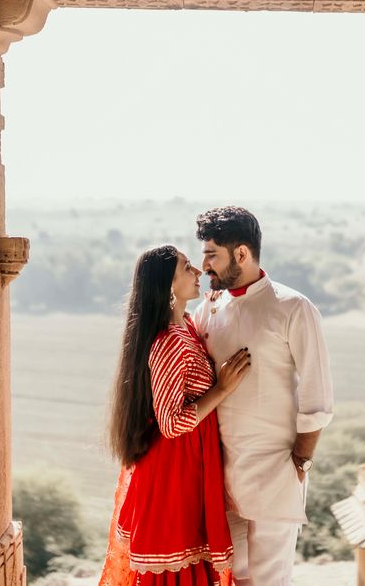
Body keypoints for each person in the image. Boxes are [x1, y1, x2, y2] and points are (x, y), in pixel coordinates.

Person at [192, 206, 334, 586]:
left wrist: (300, 461)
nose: (204, 265)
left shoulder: (293, 307)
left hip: (275, 471)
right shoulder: (209, 310)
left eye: (211, 255)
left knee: (269, 580)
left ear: (241, 254)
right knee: (233, 578)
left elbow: (318, 393)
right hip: (220, 472)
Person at [100, 245, 252, 586]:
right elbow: (171, 423)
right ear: (167, 285)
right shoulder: (169, 341)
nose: (198, 271)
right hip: (174, 471)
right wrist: (223, 389)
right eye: (187, 268)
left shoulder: (184, 326)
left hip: (186, 465)